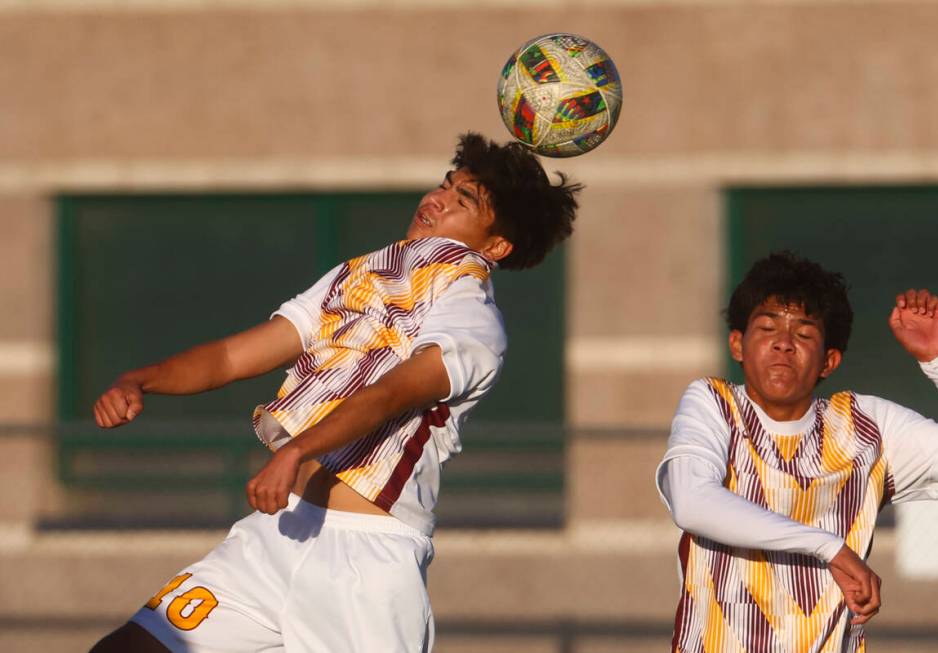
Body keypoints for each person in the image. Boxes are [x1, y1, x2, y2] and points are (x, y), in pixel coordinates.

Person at [88, 132, 582, 653]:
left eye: (463, 201)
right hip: (279, 533)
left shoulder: (471, 317)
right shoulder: (360, 276)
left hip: (363, 563)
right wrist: (139, 379)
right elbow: (234, 355)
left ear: (497, 245)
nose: (435, 200)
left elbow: (393, 393)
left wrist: (300, 447)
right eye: (444, 184)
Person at [656, 251, 938, 652]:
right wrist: (829, 547)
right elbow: (691, 502)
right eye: (768, 327)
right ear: (737, 345)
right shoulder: (714, 404)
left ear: (830, 361)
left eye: (804, 334)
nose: (784, 344)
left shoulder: (868, 426)